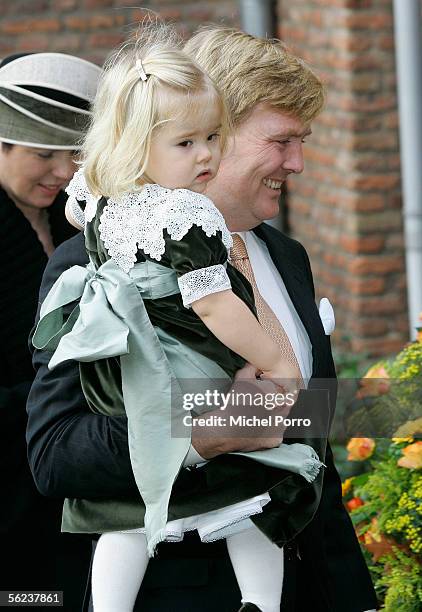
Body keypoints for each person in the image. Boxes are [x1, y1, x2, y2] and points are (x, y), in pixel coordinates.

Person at [27, 26, 378, 612]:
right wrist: (202, 432)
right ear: (217, 130)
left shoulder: (288, 257)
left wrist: (351, 592)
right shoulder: (95, 261)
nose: (297, 163)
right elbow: (55, 454)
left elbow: (309, 438)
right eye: (283, 141)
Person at [0, 51, 101, 609]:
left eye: (75, 155)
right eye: (43, 154)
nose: (63, 172)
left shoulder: (77, 217)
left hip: (70, 470)